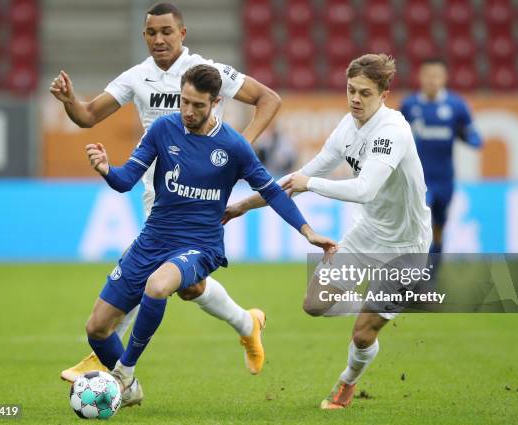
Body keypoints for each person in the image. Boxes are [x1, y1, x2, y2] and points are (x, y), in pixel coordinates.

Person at [50, 3, 282, 381]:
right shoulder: (136, 77)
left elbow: (269, 98)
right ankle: (247, 323)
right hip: (156, 191)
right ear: (144, 36)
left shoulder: (207, 73)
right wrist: (69, 102)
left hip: (200, 189)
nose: (159, 39)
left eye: (166, 32)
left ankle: (108, 361)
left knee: (155, 278)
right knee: (188, 287)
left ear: (182, 34)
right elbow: (88, 116)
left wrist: (239, 148)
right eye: (151, 32)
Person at [84, 64, 338, 406]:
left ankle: (124, 373)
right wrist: (106, 169)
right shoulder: (163, 128)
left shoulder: (233, 146)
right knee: (97, 329)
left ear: (216, 102)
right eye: (184, 102)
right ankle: (130, 391)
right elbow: (126, 179)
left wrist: (307, 231)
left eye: (198, 105)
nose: (188, 111)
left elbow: (273, 191)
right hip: (153, 239)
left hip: (199, 245)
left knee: (158, 287)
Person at [222, 54, 432, 409]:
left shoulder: (393, 131)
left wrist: (312, 184)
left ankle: (346, 385)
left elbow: (364, 189)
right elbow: (296, 178)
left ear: (384, 94)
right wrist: (242, 206)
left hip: (407, 246)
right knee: (315, 304)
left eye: (365, 93)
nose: (355, 99)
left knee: (363, 334)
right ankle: (375, 305)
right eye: (351, 90)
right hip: (368, 234)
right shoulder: (347, 129)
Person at [400, 58, 482, 258]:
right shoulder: (409, 105)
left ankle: (433, 273)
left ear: (444, 78)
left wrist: (465, 136)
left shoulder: (456, 106)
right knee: (420, 224)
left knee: (438, 228)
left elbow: (476, 139)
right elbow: (395, 135)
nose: (431, 80)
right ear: (420, 77)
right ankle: (413, 274)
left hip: (445, 179)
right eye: (428, 75)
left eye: (436, 76)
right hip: (419, 179)